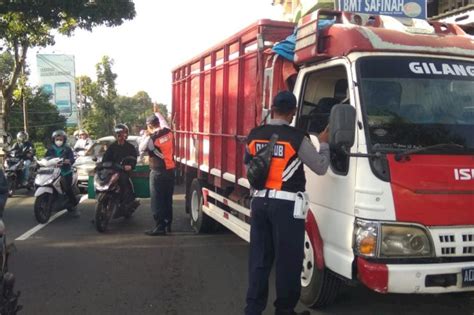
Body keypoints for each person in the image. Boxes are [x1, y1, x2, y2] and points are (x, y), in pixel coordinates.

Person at [244, 91, 330, 315]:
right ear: (292, 112)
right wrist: (323, 144)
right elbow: (320, 167)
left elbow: (250, 167)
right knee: (288, 261)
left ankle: (252, 309)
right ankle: (284, 310)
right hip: (286, 208)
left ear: (272, 109)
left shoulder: (254, 135)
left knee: (259, 261)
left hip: (259, 204)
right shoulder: (296, 137)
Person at [142, 114, 175, 236]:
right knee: (167, 199)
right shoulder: (168, 132)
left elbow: (142, 148)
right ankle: (168, 224)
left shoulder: (153, 137)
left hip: (157, 171)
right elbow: (164, 122)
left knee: (157, 200)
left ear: (149, 125)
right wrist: (157, 113)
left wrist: (146, 135)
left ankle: (160, 226)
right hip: (170, 170)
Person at [102, 124, 139, 210]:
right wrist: (103, 164)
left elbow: (134, 159)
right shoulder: (111, 147)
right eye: (118, 133)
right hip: (112, 170)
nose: (120, 135)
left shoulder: (130, 147)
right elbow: (105, 158)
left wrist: (130, 166)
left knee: (123, 180)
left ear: (126, 134)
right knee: (102, 180)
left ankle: (126, 203)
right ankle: (102, 206)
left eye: (122, 133)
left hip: (123, 170)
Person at [45, 130, 80, 216]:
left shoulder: (67, 149)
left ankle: (74, 206)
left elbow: (72, 159)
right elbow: (46, 157)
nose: (59, 141)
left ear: (64, 140)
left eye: (60, 139)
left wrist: (68, 161)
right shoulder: (50, 149)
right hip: (52, 171)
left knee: (67, 188)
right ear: (54, 139)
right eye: (57, 139)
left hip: (65, 171)